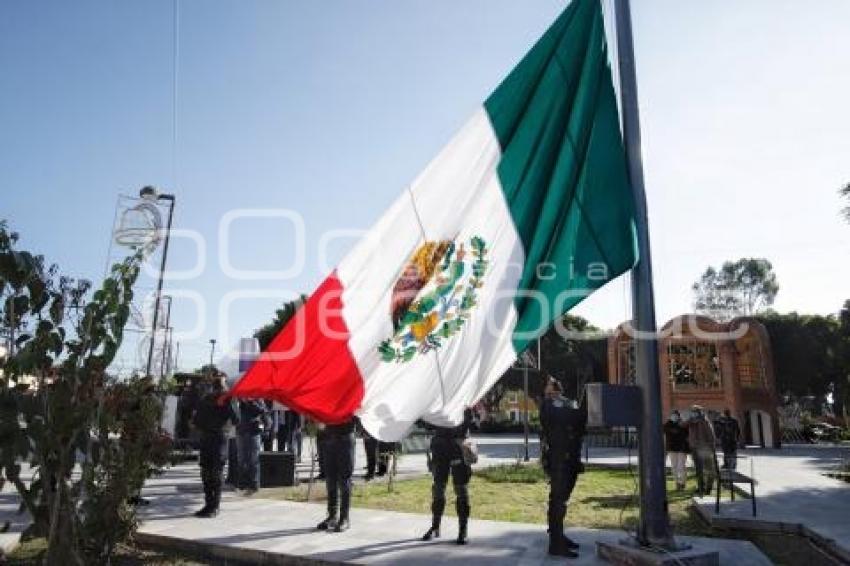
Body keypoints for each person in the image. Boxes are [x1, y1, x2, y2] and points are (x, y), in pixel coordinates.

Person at [540, 377, 586, 558]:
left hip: (571, 460)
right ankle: (556, 544)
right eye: (550, 383)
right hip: (559, 461)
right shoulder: (547, 405)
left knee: (562, 501)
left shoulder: (567, 403)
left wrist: (574, 408)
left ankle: (558, 536)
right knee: (558, 501)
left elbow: (580, 419)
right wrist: (571, 409)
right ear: (546, 389)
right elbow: (570, 416)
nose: (555, 384)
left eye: (556, 382)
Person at [421, 408, 474, 545]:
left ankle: (463, 530)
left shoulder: (463, 395)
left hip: (458, 447)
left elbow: (470, 419)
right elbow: (427, 423)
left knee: (461, 489)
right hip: (440, 447)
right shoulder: (438, 398)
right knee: (438, 489)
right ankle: (435, 526)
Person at [192, 377, 239, 517]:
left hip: (212, 438)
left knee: (211, 472)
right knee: (211, 472)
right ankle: (211, 505)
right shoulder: (221, 398)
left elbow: (196, 422)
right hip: (216, 438)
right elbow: (237, 419)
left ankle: (212, 505)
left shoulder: (212, 398)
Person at [316, 418, 356, 532]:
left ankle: (344, 518)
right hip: (329, 438)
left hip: (345, 438)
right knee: (330, 479)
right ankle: (332, 516)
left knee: (344, 479)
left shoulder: (349, 399)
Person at [236, 399, 269, 494]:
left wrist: (251, 402)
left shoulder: (258, 399)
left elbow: (262, 411)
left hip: (254, 432)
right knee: (241, 459)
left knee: (253, 460)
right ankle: (242, 483)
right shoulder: (238, 401)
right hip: (241, 431)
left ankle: (254, 484)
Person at [687, 405, 717, 496]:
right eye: (692, 411)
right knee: (698, 470)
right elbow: (682, 424)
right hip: (695, 448)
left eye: (695, 411)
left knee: (709, 469)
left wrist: (712, 449)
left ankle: (708, 488)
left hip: (704, 448)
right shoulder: (691, 422)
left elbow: (711, 436)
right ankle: (701, 488)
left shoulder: (705, 421)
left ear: (699, 412)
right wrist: (691, 420)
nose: (693, 413)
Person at [663, 409, 689, 490]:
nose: (674, 417)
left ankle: (682, 483)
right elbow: (664, 429)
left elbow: (686, 434)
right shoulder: (668, 424)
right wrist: (669, 422)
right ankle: (677, 483)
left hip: (682, 448)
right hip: (672, 448)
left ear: (679, 416)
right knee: (674, 467)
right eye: (673, 415)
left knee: (681, 466)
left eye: (676, 415)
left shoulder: (683, 424)